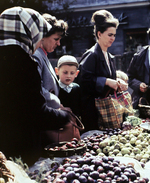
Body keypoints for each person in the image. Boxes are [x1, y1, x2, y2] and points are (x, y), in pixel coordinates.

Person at [0, 7, 72, 166]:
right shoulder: (23, 63)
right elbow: (36, 113)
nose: (39, 41)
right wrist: (64, 117)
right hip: (19, 149)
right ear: (29, 32)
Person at [76, 9, 128, 132]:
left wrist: (117, 81)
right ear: (99, 34)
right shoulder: (92, 55)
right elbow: (83, 81)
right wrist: (106, 81)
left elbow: (108, 77)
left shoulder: (108, 56)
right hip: (93, 112)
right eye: (110, 35)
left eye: (114, 35)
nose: (113, 38)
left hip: (106, 110)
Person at [32, 13, 68, 109]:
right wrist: (58, 105)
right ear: (43, 37)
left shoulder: (42, 54)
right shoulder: (36, 55)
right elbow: (37, 88)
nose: (59, 43)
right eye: (56, 39)